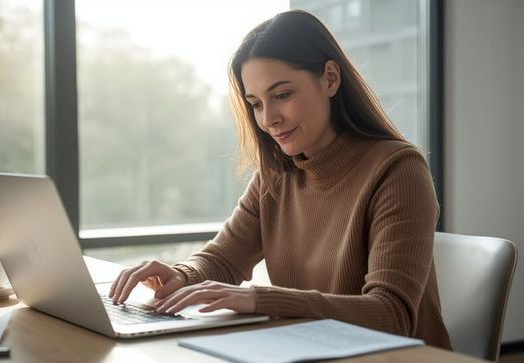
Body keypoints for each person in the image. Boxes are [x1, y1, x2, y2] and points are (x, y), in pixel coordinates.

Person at [109, 9, 452, 349]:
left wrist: (261, 300)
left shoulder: (398, 170)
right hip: (314, 352)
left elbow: (392, 315)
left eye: (283, 95)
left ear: (330, 78)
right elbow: (223, 260)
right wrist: (182, 275)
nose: (268, 119)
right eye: (255, 103)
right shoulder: (276, 175)